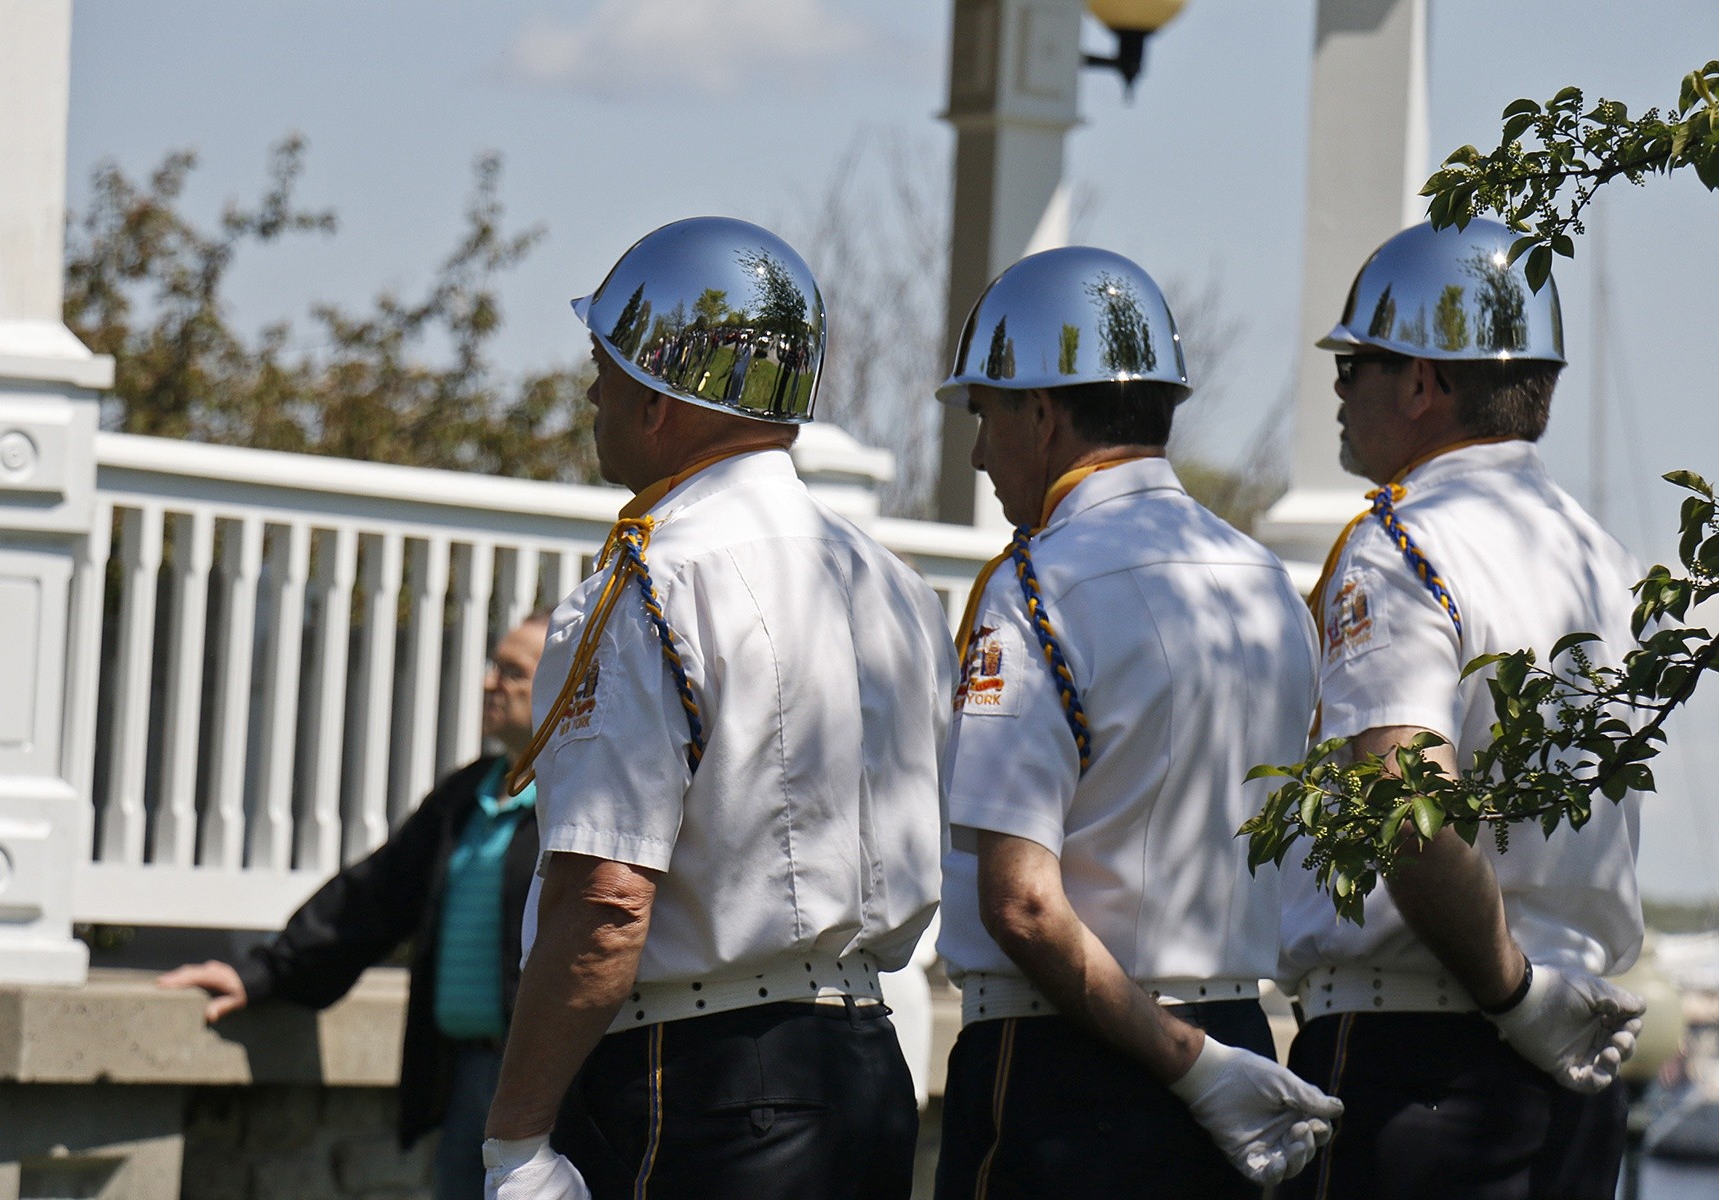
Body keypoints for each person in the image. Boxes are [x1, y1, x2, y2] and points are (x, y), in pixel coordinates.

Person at [478, 216, 956, 1200]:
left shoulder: (658, 578)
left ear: (660, 398)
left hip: (700, 1083)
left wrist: (515, 1142)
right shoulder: (897, 587)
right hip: (868, 1067)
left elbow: (607, 897)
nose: (591, 390)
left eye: (605, 364)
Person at [928, 245, 1343, 1199]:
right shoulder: (1269, 585)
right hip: (1238, 1045)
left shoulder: (1034, 586)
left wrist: (1185, 1066)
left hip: (1065, 1065)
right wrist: (1207, 1061)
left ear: (1043, 410)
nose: (980, 452)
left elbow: (1024, 903)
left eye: (986, 413)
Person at [1278, 217, 1646, 1200]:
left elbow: (1405, 801)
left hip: (1422, 1054)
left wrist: (1510, 992)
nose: (1338, 387)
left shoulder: (1401, 540)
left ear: (1422, 384)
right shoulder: (1602, 559)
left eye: (1356, 362)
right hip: (1576, 1064)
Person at [157, 615, 549, 1200]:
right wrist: (264, 972)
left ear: (559, 686)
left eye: (511, 672)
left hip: (543, 1087)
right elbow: (373, 897)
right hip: (460, 1076)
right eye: (493, 666)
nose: (490, 682)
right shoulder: (467, 795)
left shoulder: (575, 806)